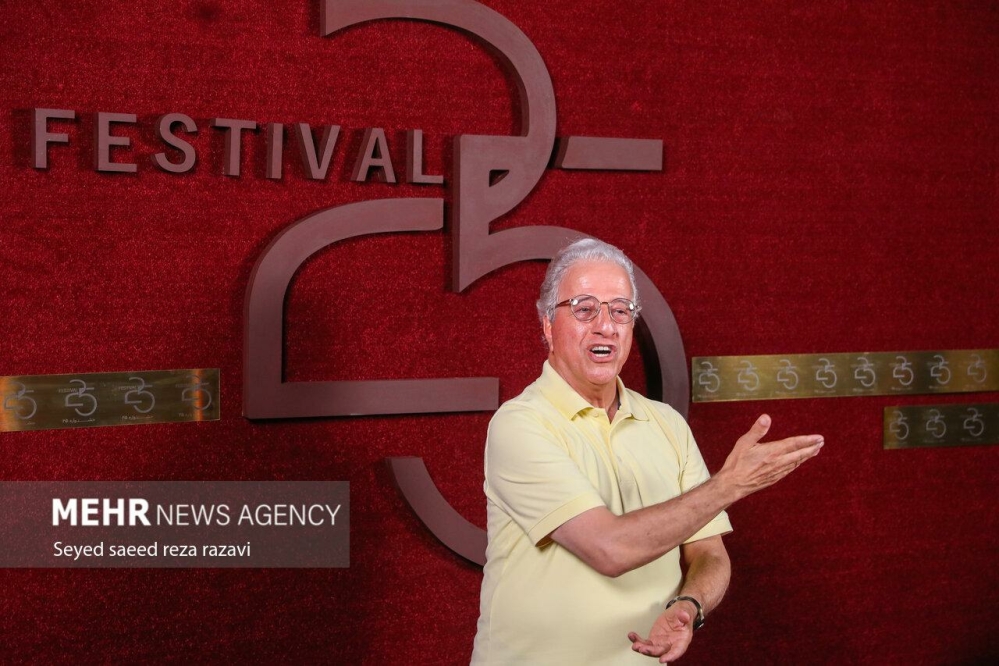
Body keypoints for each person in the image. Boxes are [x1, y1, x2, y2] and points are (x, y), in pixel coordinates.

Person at [470, 238, 823, 665]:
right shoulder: (520, 424)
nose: (605, 326)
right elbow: (609, 549)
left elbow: (709, 552)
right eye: (584, 309)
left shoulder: (667, 424)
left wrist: (690, 604)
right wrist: (728, 486)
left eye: (621, 311)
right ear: (547, 323)